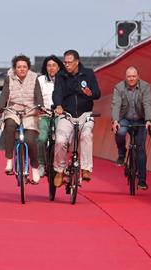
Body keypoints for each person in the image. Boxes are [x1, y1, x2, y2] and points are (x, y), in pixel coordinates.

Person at [52, 49, 101, 187]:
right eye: (65, 62)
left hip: (85, 114)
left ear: (77, 62)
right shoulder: (61, 76)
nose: (66, 65)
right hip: (67, 114)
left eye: (69, 62)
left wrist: (90, 93)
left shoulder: (89, 74)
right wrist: (58, 105)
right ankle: (59, 170)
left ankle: (86, 169)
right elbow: (57, 93)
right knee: (60, 141)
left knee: (86, 136)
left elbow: (97, 94)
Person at [0, 54, 44, 184]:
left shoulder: (35, 78)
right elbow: (4, 94)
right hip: (13, 110)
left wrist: (40, 107)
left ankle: (34, 168)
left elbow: (38, 95)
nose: (22, 69)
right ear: (15, 68)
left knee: (30, 141)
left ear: (28, 68)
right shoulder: (9, 78)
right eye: (19, 67)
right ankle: (10, 160)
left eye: (24, 67)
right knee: (9, 125)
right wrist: (0, 108)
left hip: (30, 111)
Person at [112, 66, 151, 190]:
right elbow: (116, 105)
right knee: (120, 131)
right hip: (124, 118)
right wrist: (115, 121)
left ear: (138, 77)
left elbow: (147, 103)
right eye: (129, 76)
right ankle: (121, 153)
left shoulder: (145, 87)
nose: (131, 79)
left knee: (141, 148)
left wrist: (148, 120)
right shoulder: (119, 88)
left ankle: (142, 180)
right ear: (126, 77)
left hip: (140, 119)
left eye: (134, 76)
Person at [37, 55, 64, 177]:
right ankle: (41, 164)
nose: (51, 68)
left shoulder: (64, 79)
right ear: (45, 67)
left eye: (54, 65)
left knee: (61, 139)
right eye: (49, 65)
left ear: (59, 67)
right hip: (44, 114)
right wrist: (39, 107)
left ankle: (60, 164)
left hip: (60, 115)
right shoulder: (40, 80)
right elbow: (36, 96)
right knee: (42, 138)